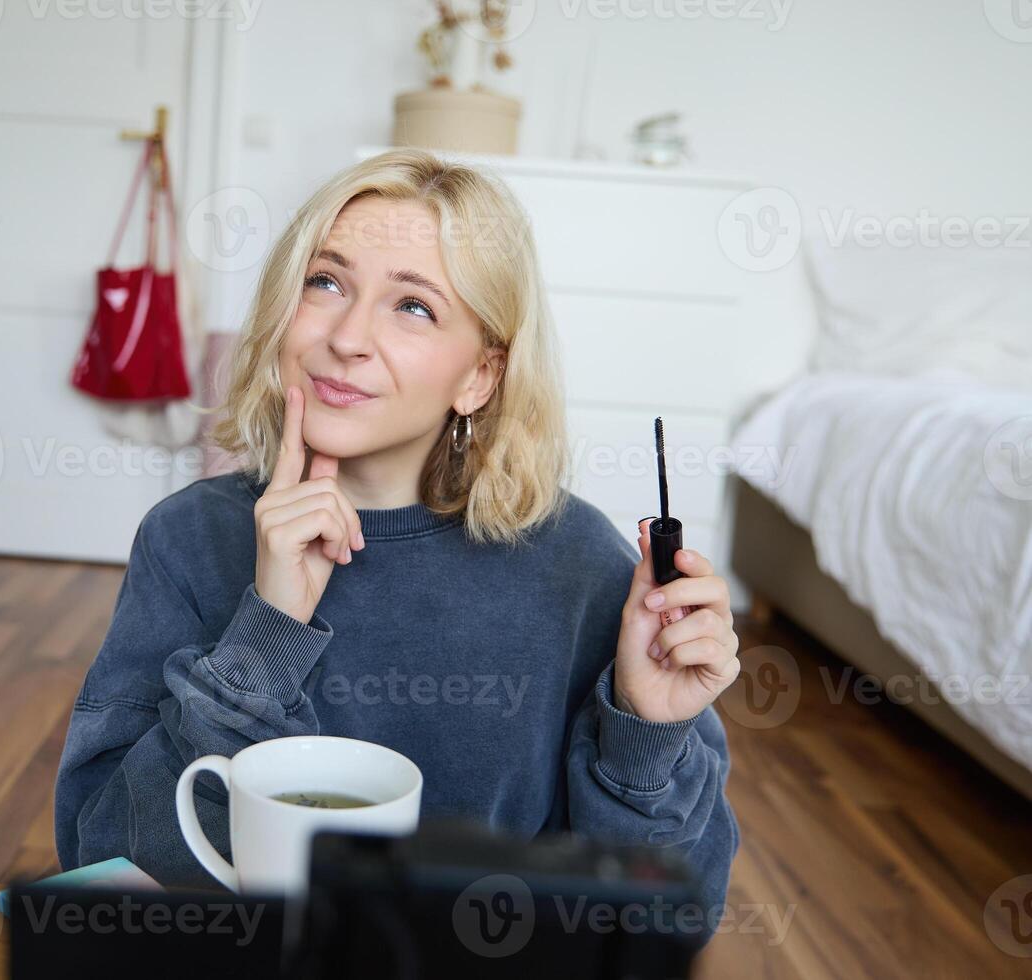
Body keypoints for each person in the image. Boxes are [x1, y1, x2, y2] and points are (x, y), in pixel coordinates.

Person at [54, 148, 740, 941]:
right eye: (327, 282)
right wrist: (263, 638)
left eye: (413, 306)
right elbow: (104, 865)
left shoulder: (583, 568)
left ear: (479, 377)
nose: (348, 337)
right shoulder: (189, 540)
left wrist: (645, 737)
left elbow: (664, 922)